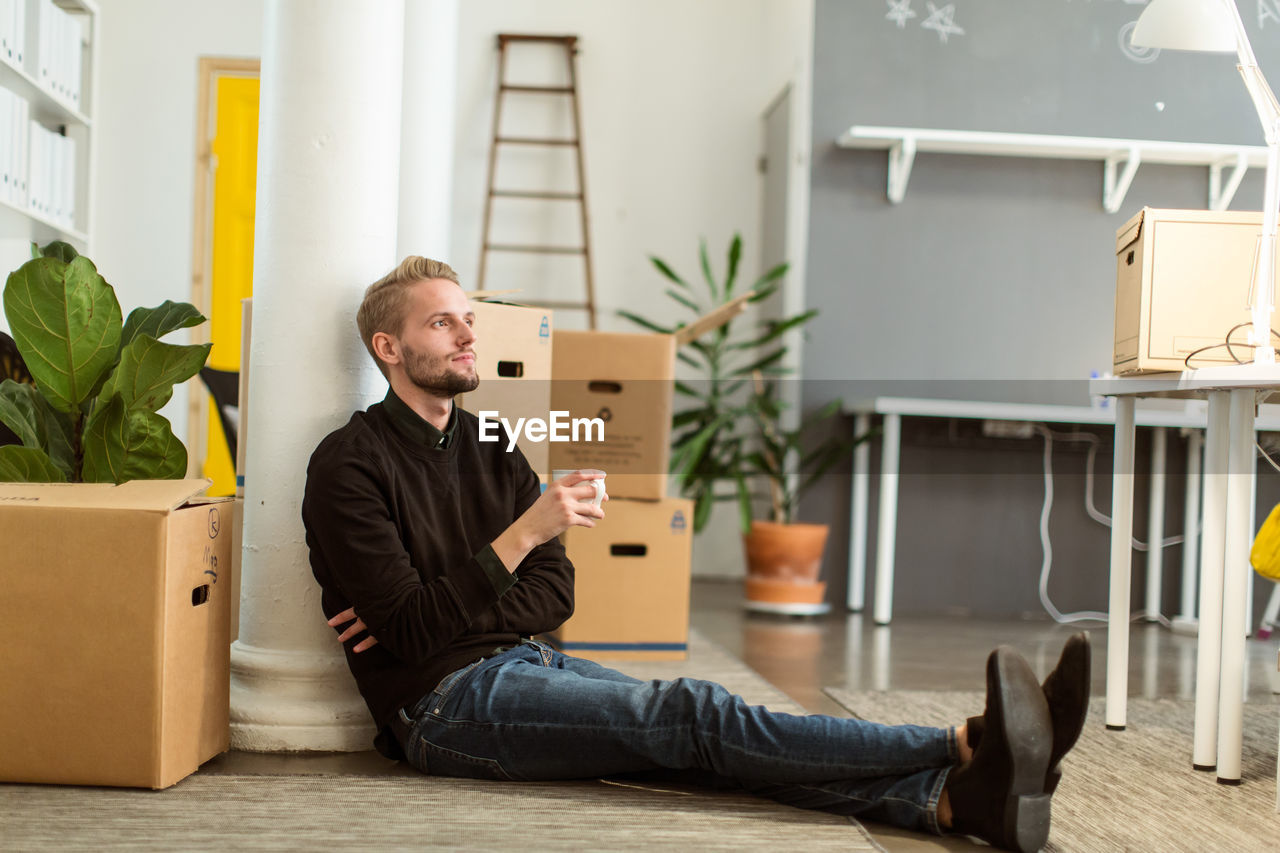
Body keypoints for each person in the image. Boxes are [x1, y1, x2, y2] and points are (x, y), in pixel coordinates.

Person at [300, 256, 1091, 853]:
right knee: (692, 714)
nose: (470, 333)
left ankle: (955, 805)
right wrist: (524, 534)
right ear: (390, 347)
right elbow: (412, 636)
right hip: (442, 709)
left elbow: (556, 594)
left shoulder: (490, 444)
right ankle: (966, 743)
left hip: (521, 661)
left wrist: (456, 602)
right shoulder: (349, 464)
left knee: (692, 744)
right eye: (443, 322)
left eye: (468, 317)